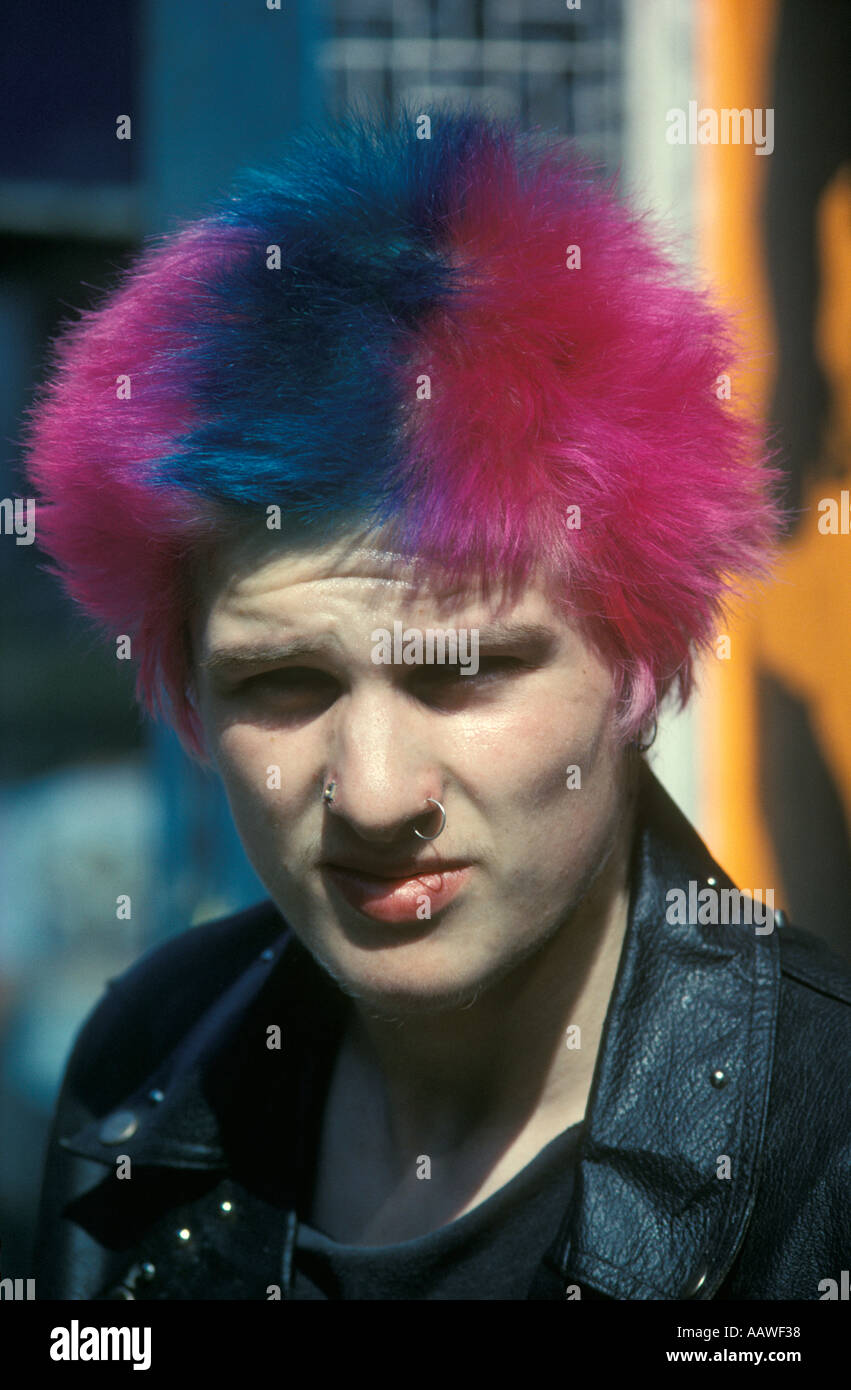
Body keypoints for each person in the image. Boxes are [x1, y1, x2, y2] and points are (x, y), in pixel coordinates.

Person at [23, 104, 850, 1301]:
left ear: (633, 666)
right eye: (281, 682)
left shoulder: (819, 1150)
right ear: (187, 693)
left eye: (458, 674)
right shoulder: (146, 1063)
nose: (370, 791)